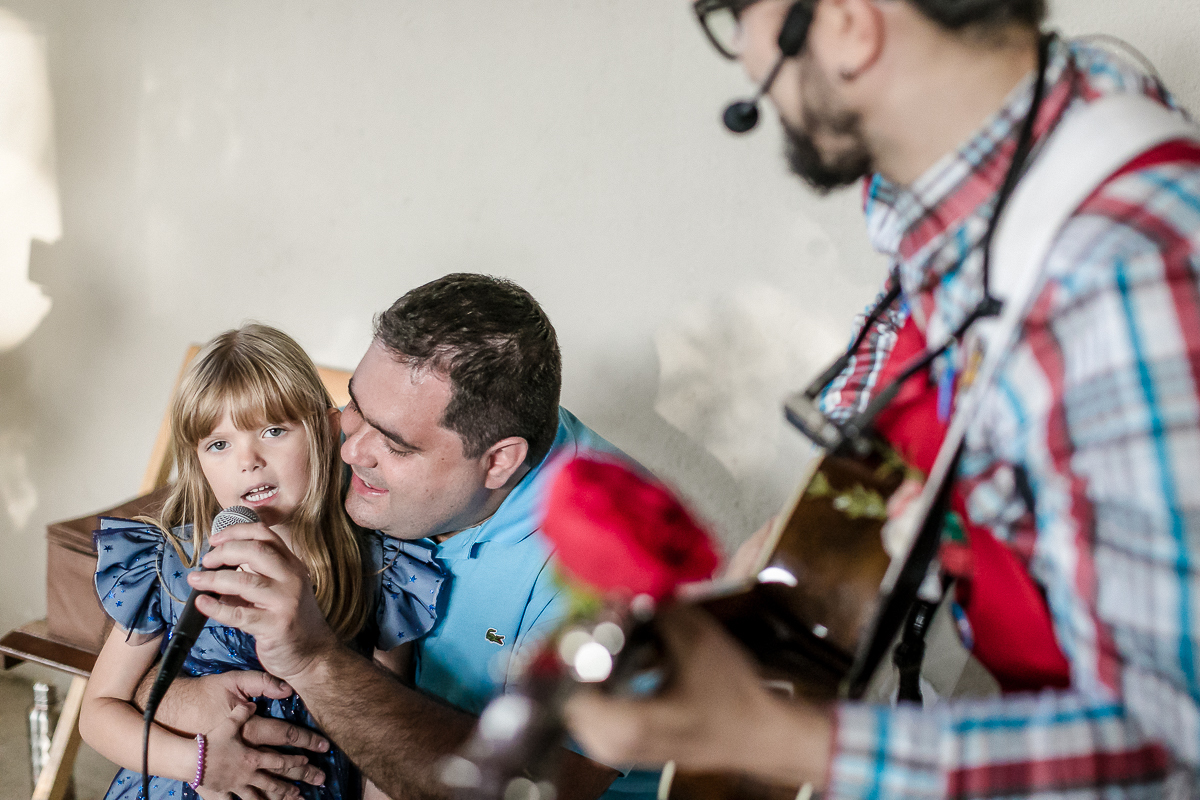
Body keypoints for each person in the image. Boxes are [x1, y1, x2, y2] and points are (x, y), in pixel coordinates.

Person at [564, 0, 1200, 797]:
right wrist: (790, 560)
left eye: (736, 21)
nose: (749, 71)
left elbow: (1173, 750)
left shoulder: (1117, 272)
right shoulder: (997, 177)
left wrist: (769, 736)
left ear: (847, 24)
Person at [172, 275, 630, 798]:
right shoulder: (386, 435)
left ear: (498, 461)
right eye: (355, 407)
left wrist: (314, 662)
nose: (349, 453)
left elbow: (539, 789)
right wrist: (183, 701)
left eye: (394, 444)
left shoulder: (606, 572)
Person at [79, 323, 443, 800]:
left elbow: (384, 741)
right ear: (198, 462)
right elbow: (99, 711)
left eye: (273, 431)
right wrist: (198, 764)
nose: (248, 460)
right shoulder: (169, 562)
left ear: (327, 430)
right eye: (219, 444)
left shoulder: (382, 569)